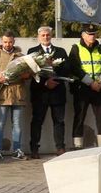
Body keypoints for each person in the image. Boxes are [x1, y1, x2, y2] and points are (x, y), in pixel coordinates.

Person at [25, 26, 70, 157]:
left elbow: (66, 69)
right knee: (37, 121)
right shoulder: (32, 51)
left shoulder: (60, 51)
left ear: (51, 36)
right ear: (39, 37)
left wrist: (54, 80)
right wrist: (45, 83)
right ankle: (34, 149)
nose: (46, 37)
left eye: (48, 35)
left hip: (57, 91)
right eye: (43, 35)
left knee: (59, 121)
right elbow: (31, 71)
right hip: (40, 93)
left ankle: (60, 148)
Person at [65, 26, 101, 148]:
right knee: (79, 117)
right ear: (83, 35)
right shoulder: (76, 48)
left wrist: (100, 82)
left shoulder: (100, 48)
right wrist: (91, 82)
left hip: (99, 88)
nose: (92, 36)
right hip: (82, 88)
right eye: (89, 34)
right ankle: (77, 146)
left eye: (94, 34)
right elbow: (75, 68)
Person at [0, 34, 28, 158]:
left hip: (18, 93)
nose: (7, 44)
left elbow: (28, 72)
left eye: (10, 42)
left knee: (17, 124)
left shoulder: (21, 56)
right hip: (2, 94)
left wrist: (25, 75)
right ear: (2, 41)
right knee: (0, 123)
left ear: (14, 41)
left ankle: (17, 150)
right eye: (5, 42)